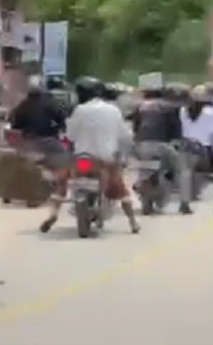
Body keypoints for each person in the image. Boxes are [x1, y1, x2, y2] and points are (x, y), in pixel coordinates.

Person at [40, 76, 141, 234]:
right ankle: (133, 222)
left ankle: (53, 214)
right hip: (105, 161)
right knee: (120, 187)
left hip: (84, 161)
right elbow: (125, 135)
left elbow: (70, 135)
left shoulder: (79, 110)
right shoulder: (113, 110)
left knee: (62, 182)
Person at [132, 85, 194, 214]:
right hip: (161, 145)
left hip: (141, 146)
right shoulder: (169, 107)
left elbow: (135, 128)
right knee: (183, 171)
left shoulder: (140, 107)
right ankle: (184, 203)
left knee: (142, 170)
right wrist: (178, 142)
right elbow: (176, 131)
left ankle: (145, 199)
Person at [9, 82, 70, 204]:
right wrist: (58, 128)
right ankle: (61, 191)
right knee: (64, 159)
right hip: (47, 141)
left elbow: (15, 125)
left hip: (27, 142)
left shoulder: (22, 106)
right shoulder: (49, 103)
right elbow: (61, 117)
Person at [180, 85, 213, 196]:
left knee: (187, 170)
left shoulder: (183, 110)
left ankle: (188, 191)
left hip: (186, 145)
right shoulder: (210, 112)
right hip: (204, 147)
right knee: (209, 171)